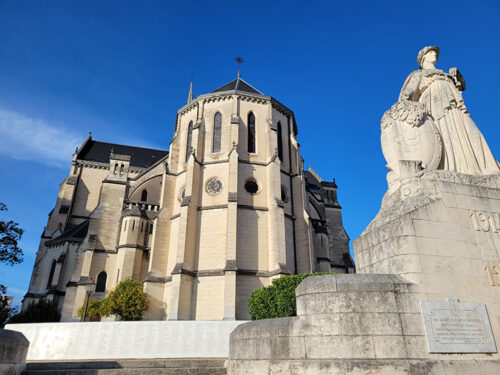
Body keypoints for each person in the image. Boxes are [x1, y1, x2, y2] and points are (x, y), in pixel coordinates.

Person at [399, 46, 499, 175]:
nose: (434, 54)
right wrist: (406, 97)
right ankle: (448, 167)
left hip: (454, 107)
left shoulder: (445, 75)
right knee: (442, 133)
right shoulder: (419, 74)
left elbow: (460, 88)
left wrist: (456, 79)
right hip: (434, 108)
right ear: (423, 58)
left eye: (435, 53)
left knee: (471, 132)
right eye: (430, 52)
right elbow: (410, 90)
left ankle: (482, 167)